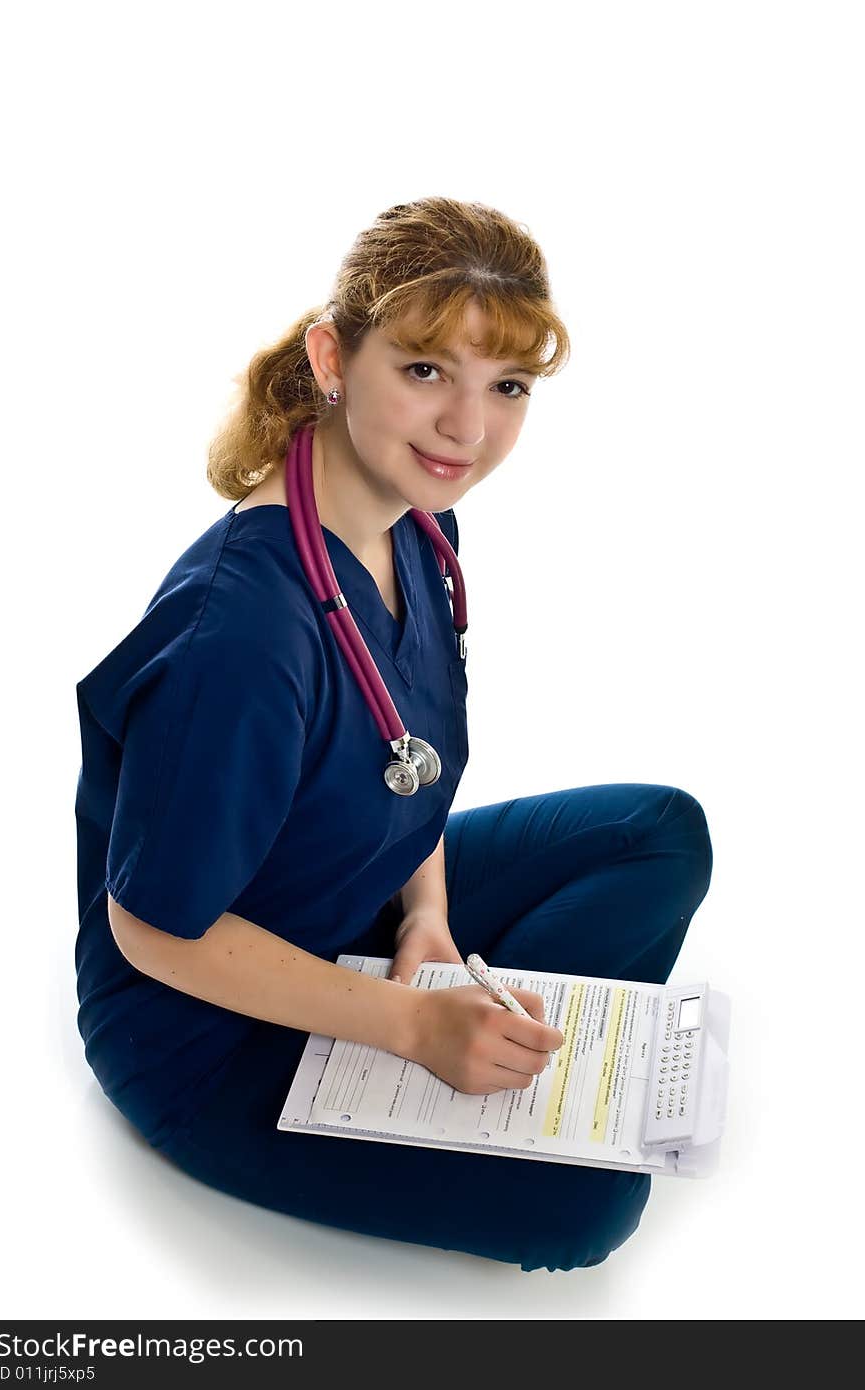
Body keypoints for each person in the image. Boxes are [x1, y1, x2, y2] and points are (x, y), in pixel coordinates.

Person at [73, 195, 713, 1272]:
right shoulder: (238, 635)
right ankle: (477, 1061)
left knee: (659, 832)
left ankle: (495, 1049)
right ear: (333, 355)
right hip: (205, 1028)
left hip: (354, 903)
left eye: (505, 386)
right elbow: (151, 929)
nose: (469, 429)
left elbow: (406, 765)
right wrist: (408, 1025)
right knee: (587, 1213)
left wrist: (428, 923)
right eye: (424, 371)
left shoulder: (417, 524)